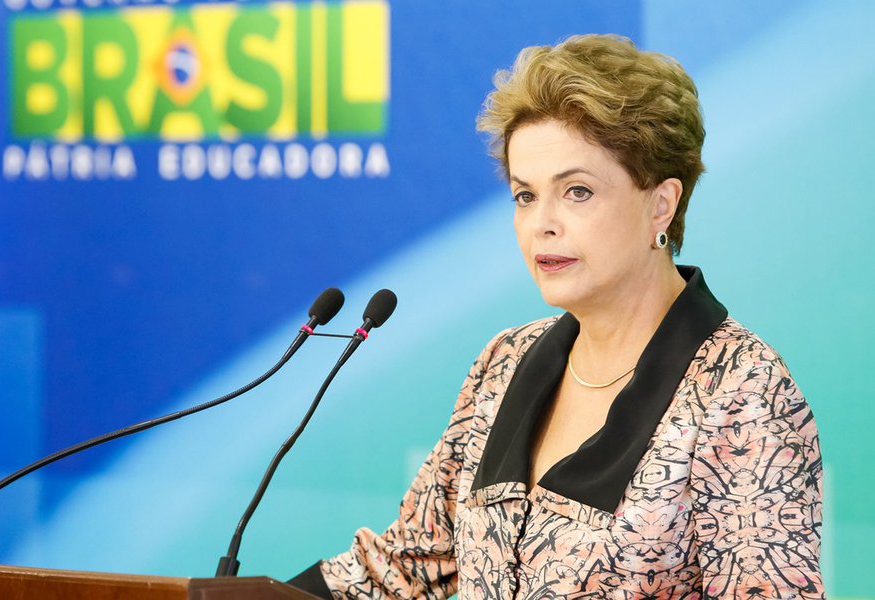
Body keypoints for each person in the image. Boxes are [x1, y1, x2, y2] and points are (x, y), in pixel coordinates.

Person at [288, 34, 824, 598]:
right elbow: (403, 568)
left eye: (577, 192)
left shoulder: (741, 393)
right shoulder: (507, 361)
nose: (542, 223)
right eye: (525, 195)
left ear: (661, 204)